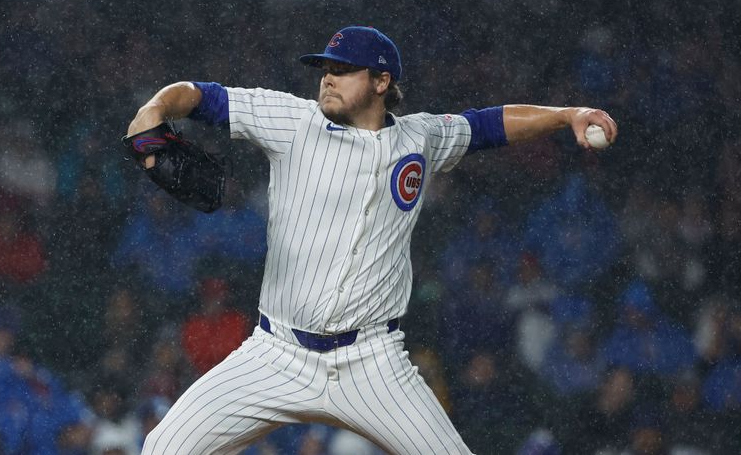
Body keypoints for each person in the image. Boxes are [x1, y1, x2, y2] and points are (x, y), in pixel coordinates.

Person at [125, 26, 618, 454]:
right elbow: (201, 95)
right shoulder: (292, 121)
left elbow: (487, 125)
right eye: (325, 67)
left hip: (371, 363)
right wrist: (155, 106)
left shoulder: (420, 138)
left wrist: (567, 113)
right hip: (276, 354)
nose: (328, 77)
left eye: (344, 69)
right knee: (164, 446)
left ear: (382, 82)